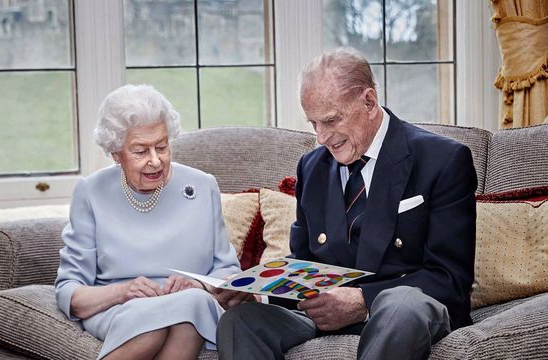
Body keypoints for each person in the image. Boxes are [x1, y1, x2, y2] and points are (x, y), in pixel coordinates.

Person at [216, 48, 477, 360]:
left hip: (403, 315)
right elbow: (305, 264)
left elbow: (450, 278)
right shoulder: (311, 167)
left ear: (368, 101)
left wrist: (363, 301)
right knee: (240, 321)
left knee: (401, 306)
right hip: (324, 319)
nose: (322, 137)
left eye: (331, 120)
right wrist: (258, 295)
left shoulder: (442, 160)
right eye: (313, 123)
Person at [55, 84, 241, 360]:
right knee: (155, 326)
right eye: (140, 151)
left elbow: (228, 270)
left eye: (162, 147)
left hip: (193, 304)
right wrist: (123, 291)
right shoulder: (91, 191)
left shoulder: (202, 186)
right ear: (116, 153)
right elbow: (71, 293)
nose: (155, 161)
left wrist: (199, 286)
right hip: (120, 308)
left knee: (188, 312)